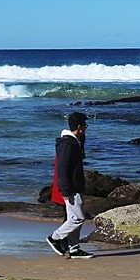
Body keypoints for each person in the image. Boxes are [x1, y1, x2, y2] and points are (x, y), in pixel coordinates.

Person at [47, 111, 94, 259]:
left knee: (74, 218)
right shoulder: (67, 144)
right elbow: (62, 167)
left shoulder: (75, 141)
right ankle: (55, 237)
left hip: (76, 186)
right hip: (71, 188)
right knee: (78, 218)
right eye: (85, 125)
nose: (86, 128)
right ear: (79, 126)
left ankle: (74, 249)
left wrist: (81, 138)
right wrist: (65, 189)